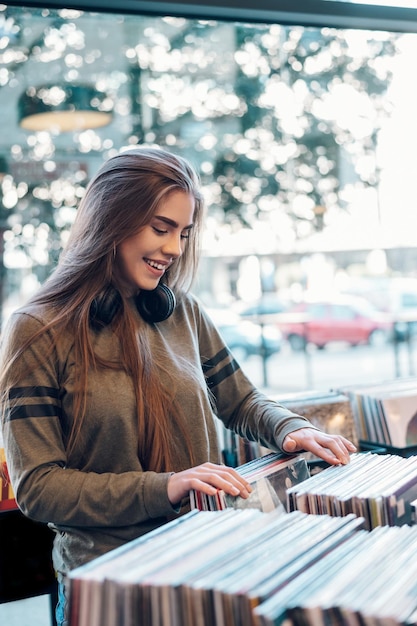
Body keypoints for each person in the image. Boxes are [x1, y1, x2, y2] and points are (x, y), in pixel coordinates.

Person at [0, 146, 356, 625]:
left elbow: (243, 401)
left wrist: (288, 428)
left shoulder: (182, 311)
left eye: (184, 233)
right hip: (111, 589)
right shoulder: (37, 330)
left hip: (206, 564)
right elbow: (39, 488)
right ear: (111, 221)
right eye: (161, 228)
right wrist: (165, 488)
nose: (174, 249)